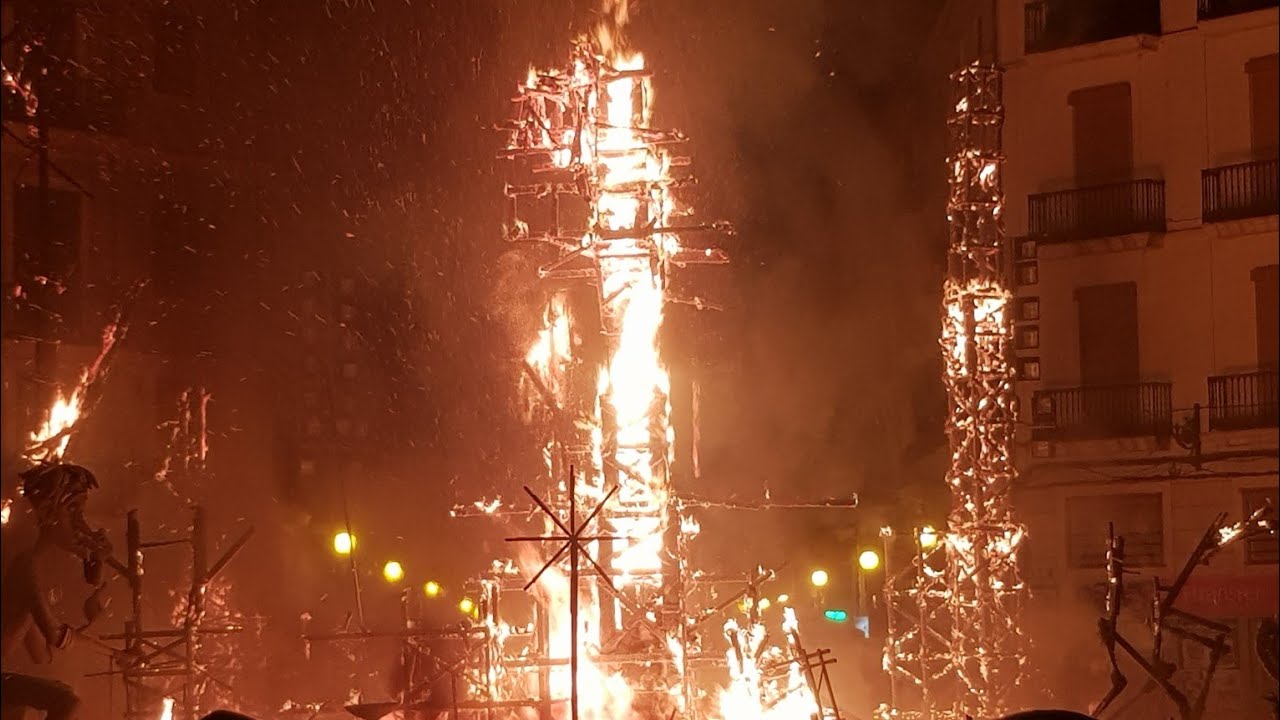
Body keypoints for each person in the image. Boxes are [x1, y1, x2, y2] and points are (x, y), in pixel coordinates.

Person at [2, 463, 112, 720]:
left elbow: (42, 654)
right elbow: (56, 637)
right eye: (72, 510)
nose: (80, 523)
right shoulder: (24, 565)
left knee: (55, 695)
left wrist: (93, 628)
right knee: (64, 700)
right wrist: (112, 650)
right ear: (47, 513)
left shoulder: (32, 569)